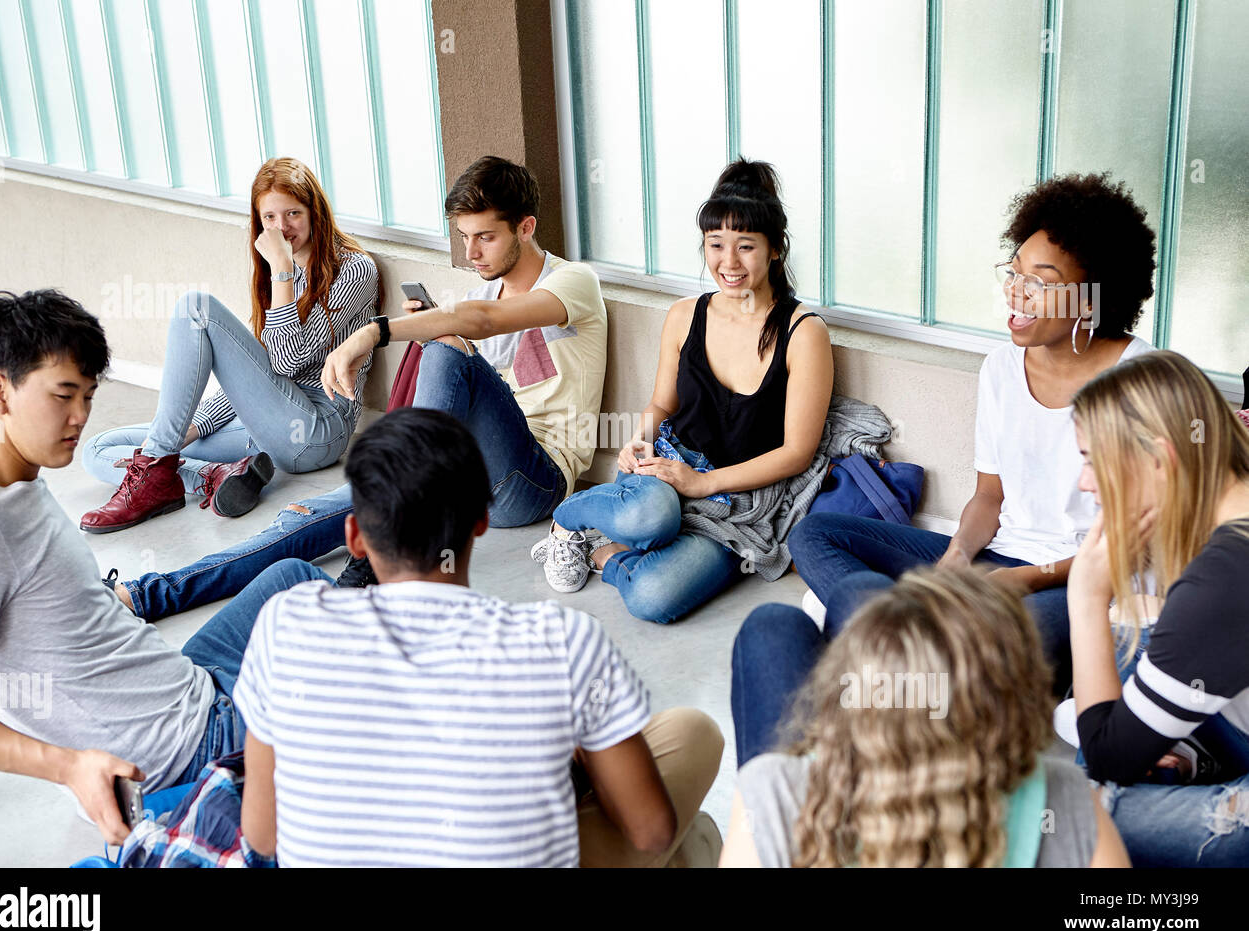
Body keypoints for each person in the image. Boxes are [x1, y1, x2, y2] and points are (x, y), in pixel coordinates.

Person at [105, 155, 607, 619]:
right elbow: (473, 322)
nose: (471, 252)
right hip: (464, 477)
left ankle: (379, 548)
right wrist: (435, 328)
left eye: (486, 237)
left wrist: (378, 330)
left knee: (445, 347)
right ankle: (154, 591)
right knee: (314, 514)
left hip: (533, 483)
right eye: (463, 236)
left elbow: (483, 320)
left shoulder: (573, 283)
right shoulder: (480, 293)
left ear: (526, 227)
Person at [234, 407, 723, 867]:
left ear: (355, 537)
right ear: (481, 522)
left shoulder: (285, 623)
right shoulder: (560, 642)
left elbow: (262, 836)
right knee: (693, 737)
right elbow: (650, 831)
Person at [0, 290, 332, 846]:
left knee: (293, 580)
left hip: (188, 684)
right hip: (183, 754)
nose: (80, 416)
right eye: (63, 395)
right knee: (359, 687)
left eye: (87, 395)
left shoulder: (16, 474)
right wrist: (67, 767)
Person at [783, 172, 1157, 695]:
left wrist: (1021, 580)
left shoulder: (1146, 379)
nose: (1016, 292)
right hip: (998, 555)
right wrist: (957, 558)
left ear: (1091, 300)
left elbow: (1135, 548)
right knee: (813, 534)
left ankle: (887, 642)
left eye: (1041, 281)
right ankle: (905, 643)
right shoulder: (1002, 368)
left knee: (999, 643)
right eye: (1014, 271)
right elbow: (990, 496)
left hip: (1081, 579)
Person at [533, 159, 834, 623]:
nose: (728, 263)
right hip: (667, 468)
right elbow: (661, 404)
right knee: (651, 519)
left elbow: (797, 452)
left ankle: (603, 553)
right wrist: (639, 440)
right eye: (716, 245)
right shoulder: (684, 315)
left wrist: (706, 483)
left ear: (775, 249)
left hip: (736, 501)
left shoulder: (803, 333)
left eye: (746, 247)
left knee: (655, 596)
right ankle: (567, 519)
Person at [720, 566, 1130, 867]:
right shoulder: (1065, 799)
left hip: (821, 788)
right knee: (862, 591)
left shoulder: (772, 791)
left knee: (774, 624)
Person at [79, 157, 378, 532]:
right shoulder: (278, 270)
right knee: (99, 449)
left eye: (292, 214)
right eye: (269, 218)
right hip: (261, 428)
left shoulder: (354, 270)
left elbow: (285, 363)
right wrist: (195, 426)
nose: (281, 228)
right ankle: (212, 476)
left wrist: (281, 271)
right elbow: (252, 377)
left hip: (314, 430)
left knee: (196, 309)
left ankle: (159, 470)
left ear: (315, 211)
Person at [1067, 350, 1249, 866]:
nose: (1085, 483)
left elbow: (1106, 758)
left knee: (1067, 812)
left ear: (1160, 458)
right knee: (1136, 639)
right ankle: (1183, 762)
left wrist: (1086, 596)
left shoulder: (1225, 574)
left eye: (1090, 459)